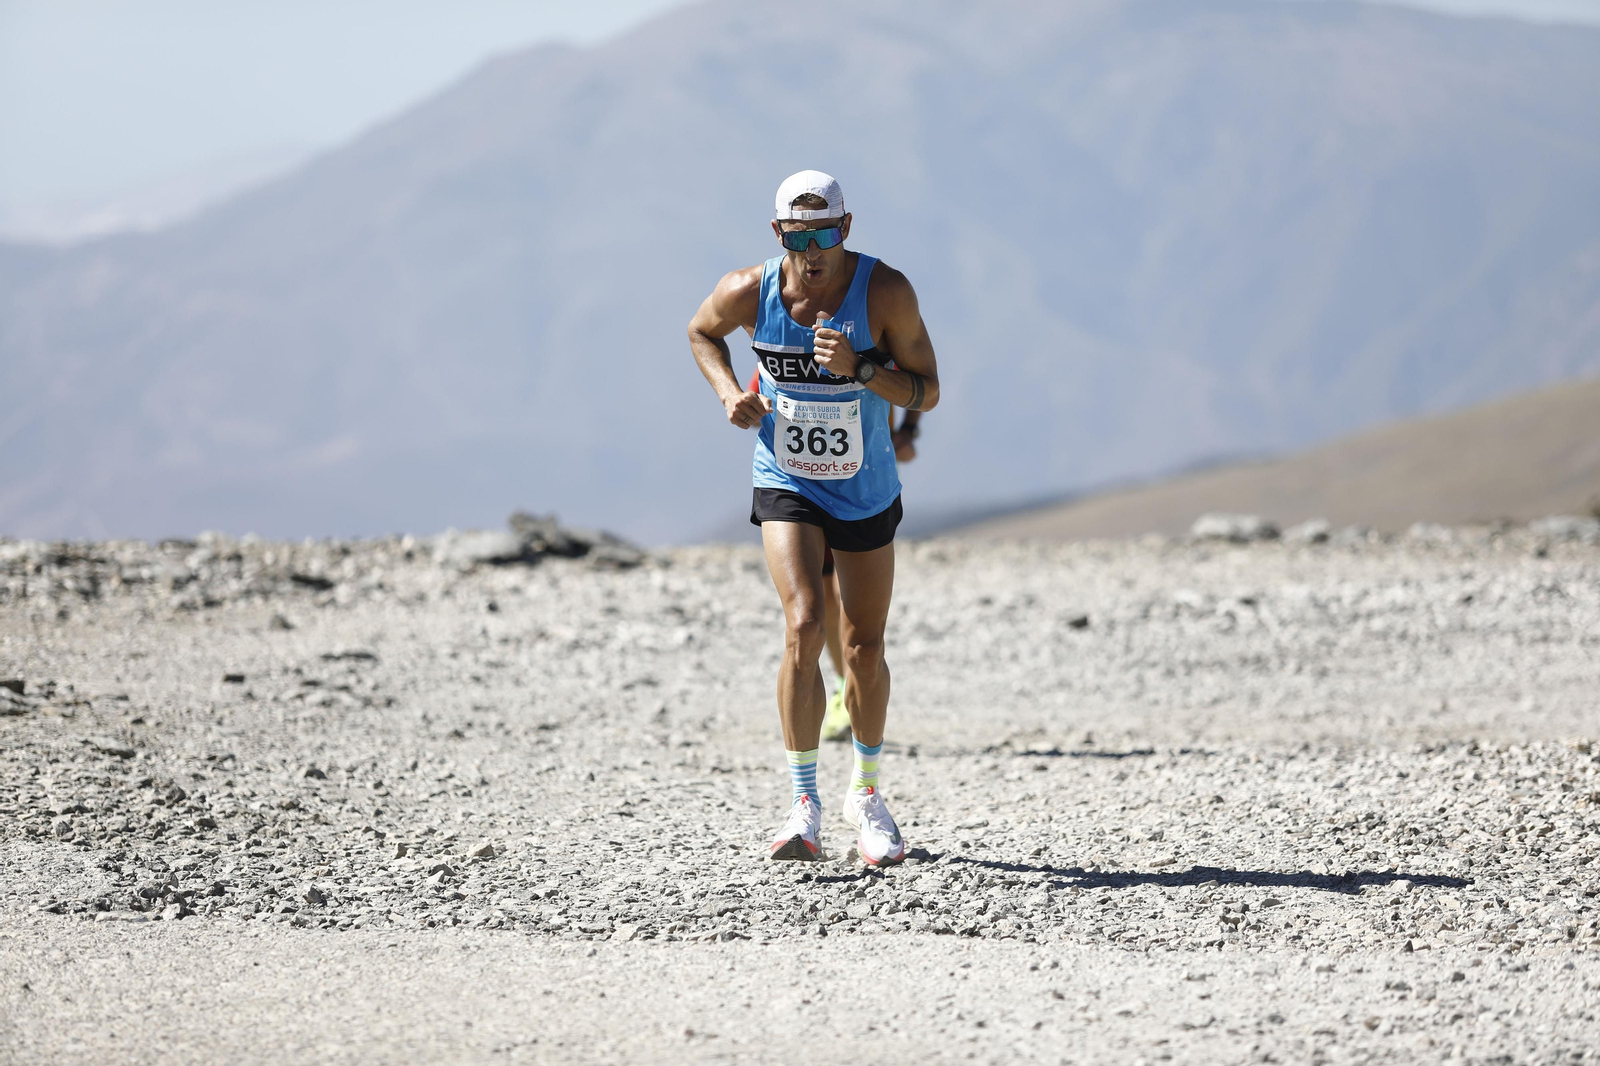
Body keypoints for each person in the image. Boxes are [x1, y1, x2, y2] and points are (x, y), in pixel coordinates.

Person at [688, 170, 940, 864]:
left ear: (847, 228)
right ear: (779, 235)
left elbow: (929, 388)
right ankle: (804, 805)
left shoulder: (885, 291)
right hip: (786, 477)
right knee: (803, 622)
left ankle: (868, 794)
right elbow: (701, 333)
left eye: (826, 233)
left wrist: (861, 370)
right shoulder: (749, 290)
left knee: (863, 647)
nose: (815, 249)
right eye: (800, 237)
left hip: (864, 487)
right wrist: (727, 392)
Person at [741, 370, 924, 745]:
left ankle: (853, 684)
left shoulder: (871, 328)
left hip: (860, 483)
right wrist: (743, 402)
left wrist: (906, 432)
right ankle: (843, 685)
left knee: (848, 603)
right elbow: (758, 390)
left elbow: (915, 378)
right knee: (817, 598)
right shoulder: (785, 344)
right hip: (801, 487)